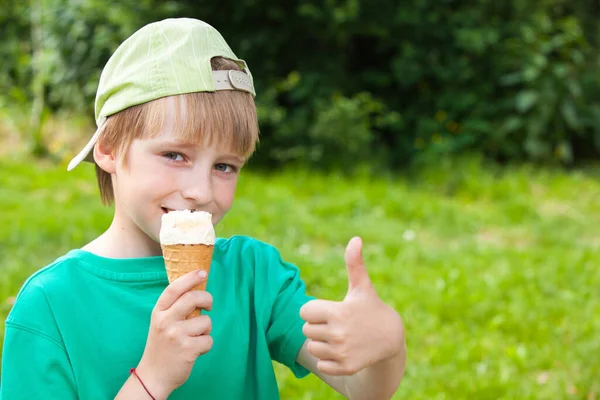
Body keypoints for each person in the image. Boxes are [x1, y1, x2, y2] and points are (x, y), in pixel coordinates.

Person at [1, 18, 406, 399]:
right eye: (175, 154)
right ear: (108, 149)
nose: (200, 191)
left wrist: (386, 345)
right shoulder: (50, 305)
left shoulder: (253, 275)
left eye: (224, 166)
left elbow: (362, 388)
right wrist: (151, 378)